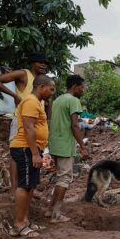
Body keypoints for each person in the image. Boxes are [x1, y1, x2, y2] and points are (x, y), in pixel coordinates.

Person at [0, 52, 48, 201]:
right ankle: (15, 191)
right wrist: (15, 96)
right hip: (22, 120)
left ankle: (29, 189)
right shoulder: (23, 74)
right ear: (32, 63)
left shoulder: (41, 81)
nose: (43, 65)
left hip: (35, 121)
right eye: (39, 62)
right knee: (17, 155)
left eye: (45, 63)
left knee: (33, 154)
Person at [8, 75, 55, 237]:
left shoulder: (37, 103)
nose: (52, 92)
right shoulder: (30, 102)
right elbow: (29, 128)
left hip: (32, 149)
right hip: (25, 148)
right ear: (41, 87)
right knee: (25, 185)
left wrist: (41, 152)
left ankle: (25, 221)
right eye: (51, 89)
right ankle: (19, 224)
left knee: (30, 186)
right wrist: (35, 154)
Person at [46, 75, 89, 223]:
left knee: (60, 177)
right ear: (75, 86)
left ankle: (50, 209)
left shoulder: (58, 99)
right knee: (65, 179)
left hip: (55, 142)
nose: (82, 90)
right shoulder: (74, 100)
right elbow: (75, 125)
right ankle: (56, 214)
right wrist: (83, 147)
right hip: (65, 144)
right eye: (81, 87)